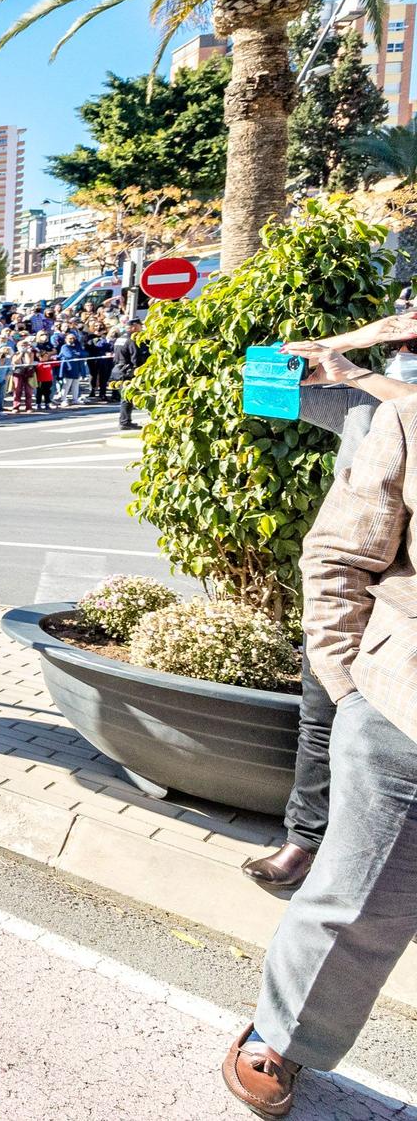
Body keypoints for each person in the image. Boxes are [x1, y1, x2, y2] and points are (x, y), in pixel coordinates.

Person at [223, 387, 417, 1116]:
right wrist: (351, 683)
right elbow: (337, 556)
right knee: (357, 901)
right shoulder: (407, 417)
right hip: (403, 708)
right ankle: (282, 1034)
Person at [236, 313, 417, 893]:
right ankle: (304, 844)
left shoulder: (378, 389)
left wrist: (360, 368)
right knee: (322, 714)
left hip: (404, 596)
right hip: (352, 586)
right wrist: (338, 349)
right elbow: (261, 385)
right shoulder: (363, 395)